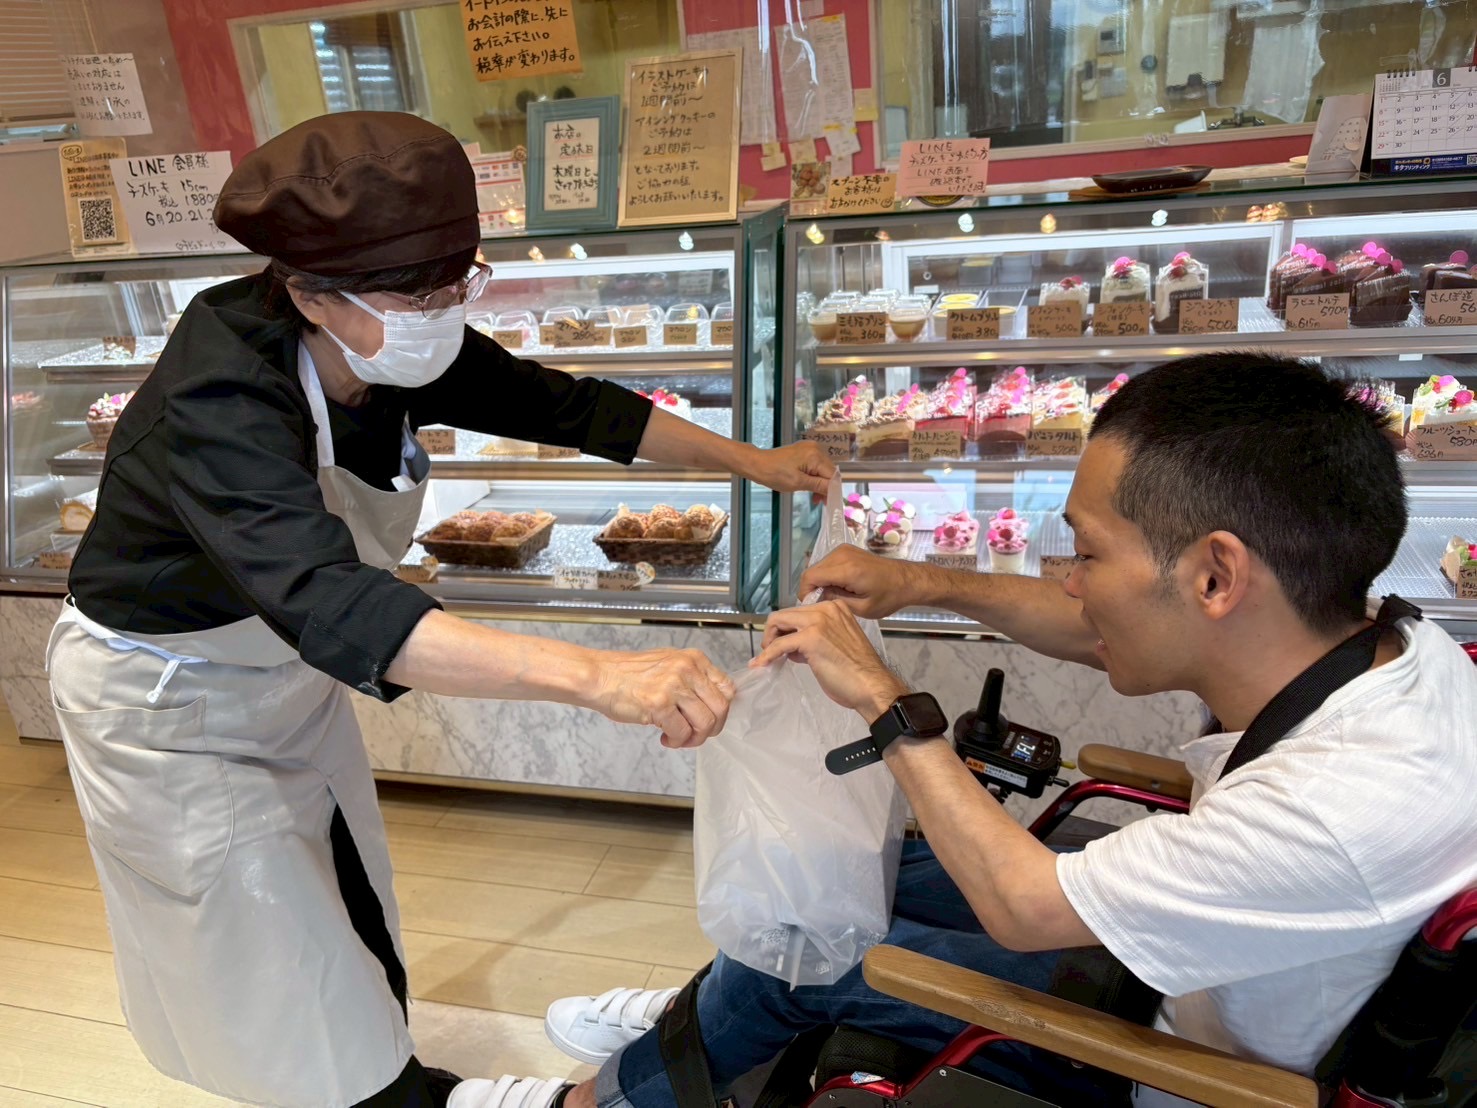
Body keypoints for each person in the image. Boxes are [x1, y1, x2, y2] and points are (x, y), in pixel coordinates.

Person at [46, 111, 832, 1108]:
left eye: (458, 281)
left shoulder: (390, 344)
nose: (442, 310)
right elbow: (331, 598)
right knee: (272, 959)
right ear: (306, 293)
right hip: (168, 705)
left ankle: (401, 1079)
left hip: (281, 678)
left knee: (346, 906)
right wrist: (600, 675)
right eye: (415, 293)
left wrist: (752, 462)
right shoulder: (222, 393)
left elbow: (568, 405)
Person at [480, 353, 1477, 1108]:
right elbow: (1093, 631)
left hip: (1165, 1058)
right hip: (1193, 952)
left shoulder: (1330, 808)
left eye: (1087, 553)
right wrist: (916, 580)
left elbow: (1021, 908)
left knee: (806, 943)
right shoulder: (1386, 648)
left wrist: (886, 700)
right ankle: (694, 1020)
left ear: (1215, 576)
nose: (1069, 581)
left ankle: (601, 1097)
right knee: (840, 863)